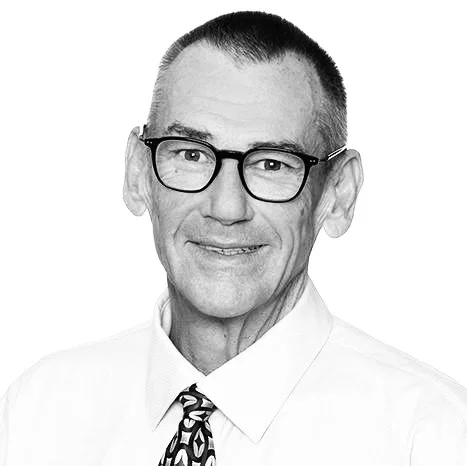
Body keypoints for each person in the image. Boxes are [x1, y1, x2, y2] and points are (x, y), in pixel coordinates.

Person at [1, 10, 466, 465]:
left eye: (271, 164)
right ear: (138, 172)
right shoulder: (36, 414)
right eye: (191, 154)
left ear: (338, 193)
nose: (226, 208)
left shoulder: (431, 437)